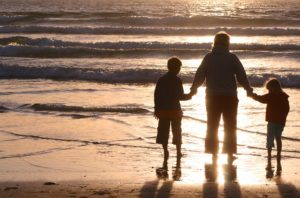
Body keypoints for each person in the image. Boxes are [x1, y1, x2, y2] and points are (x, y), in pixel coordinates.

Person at [190, 31, 253, 164]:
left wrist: (194, 88)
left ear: (215, 42)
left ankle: (213, 152)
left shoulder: (208, 57)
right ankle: (230, 153)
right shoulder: (232, 58)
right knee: (230, 125)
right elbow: (241, 75)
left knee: (212, 124)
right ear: (227, 43)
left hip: (212, 96)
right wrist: (248, 89)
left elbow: (200, 75)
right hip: (230, 96)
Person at [154, 57, 193, 168]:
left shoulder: (161, 79)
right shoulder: (177, 80)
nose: (179, 69)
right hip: (175, 110)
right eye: (179, 67)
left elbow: (157, 95)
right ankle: (178, 151)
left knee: (163, 131)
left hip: (163, 110)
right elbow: (180, 96)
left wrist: (156, 109)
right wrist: (190, 96)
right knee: (177, 131)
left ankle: (166, 151)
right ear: (176, 68)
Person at [249, 78, 289, 173]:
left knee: (272, 138)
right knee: (276, 137)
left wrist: (252, 95)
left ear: (275, 87)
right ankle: (273, 155)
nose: (269, 91)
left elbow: (261, 99)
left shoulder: (276, 96)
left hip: (275, 121)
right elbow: (261, 99)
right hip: (278, 121)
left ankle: (272, 155)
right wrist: (253, 96)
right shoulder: (281, 96)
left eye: (270, 89)